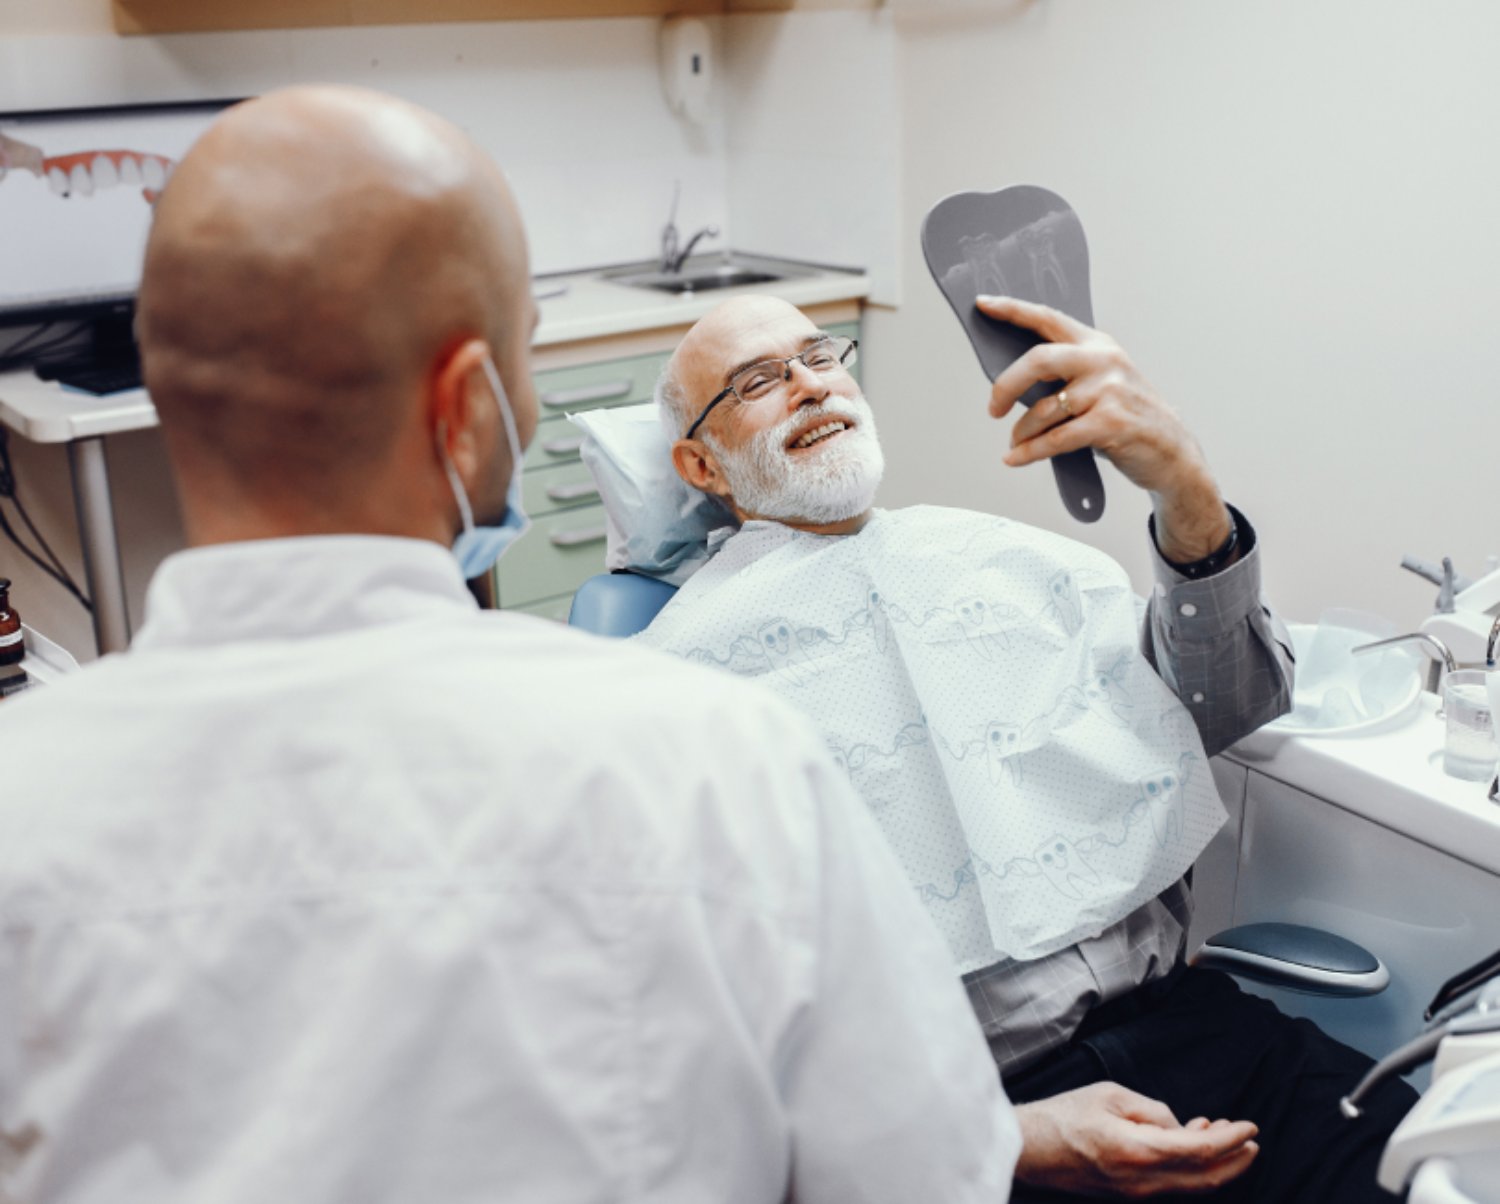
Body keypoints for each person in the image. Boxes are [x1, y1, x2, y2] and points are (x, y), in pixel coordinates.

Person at [0, 88, 1022, 1203]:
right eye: (524, 360)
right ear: (468, 406)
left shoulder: (24, 797)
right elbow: (928, 1176)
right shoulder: (717, 763)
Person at [639, 293, 1418, 1202]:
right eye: (759, 382)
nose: (810, 387)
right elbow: (692, 1059)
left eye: (820, 356)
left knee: (1442, 1171)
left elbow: (1234, 703)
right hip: (960, 1121)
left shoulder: (1011, 563)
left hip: (1204, 1040)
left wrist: (1184, 487)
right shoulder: (672, 693)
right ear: (702, 463)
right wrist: (1002, 1139)